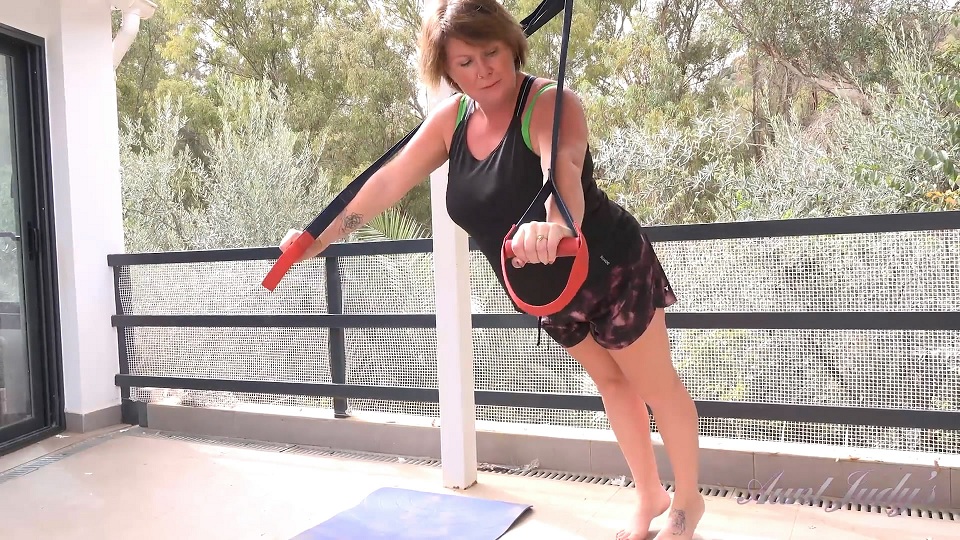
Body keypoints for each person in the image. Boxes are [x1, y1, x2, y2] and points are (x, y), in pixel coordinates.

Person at [283, 0, 704, 537]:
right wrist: (321, 238)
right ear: (446, 70)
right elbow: (389, 181)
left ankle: (687, 504)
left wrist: (556, 224)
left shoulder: (550, 103)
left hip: (608, 268)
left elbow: (562, 169)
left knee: (656, 386)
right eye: (465, 62)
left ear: (512, 46)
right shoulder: (451, 121)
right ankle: (649, 496)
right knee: (611, 384)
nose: (482, 70)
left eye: (491, 53)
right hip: (545, 290)